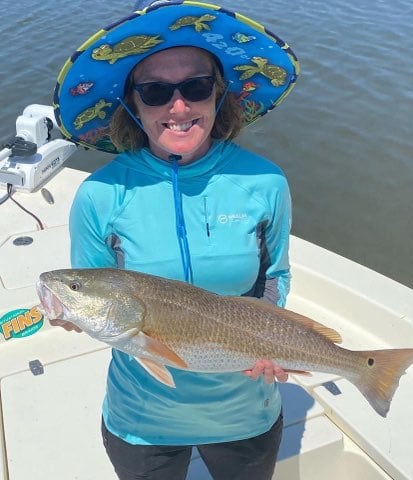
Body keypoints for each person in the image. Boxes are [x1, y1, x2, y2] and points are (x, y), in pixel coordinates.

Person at [51, 1, 299, 478]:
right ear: (131, 102)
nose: (179, 106)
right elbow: (96, 296)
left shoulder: (265, 183)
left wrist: (275, 335)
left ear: (219, 93)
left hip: (246, 411)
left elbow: (275, 277)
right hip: (141, 421)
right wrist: (73, 314)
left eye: (196, 87)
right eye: (156, 91)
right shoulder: (100, 196)